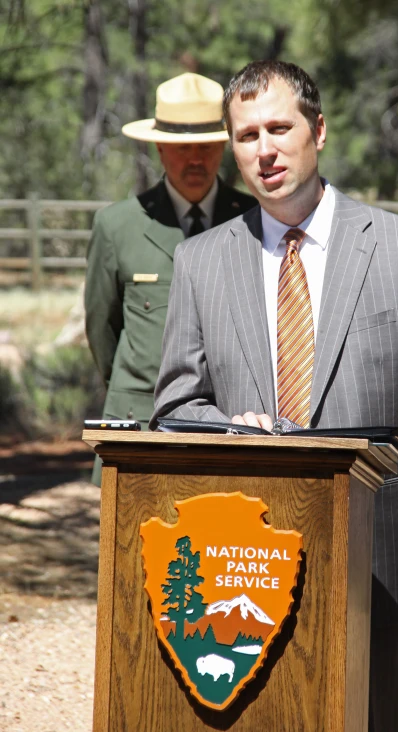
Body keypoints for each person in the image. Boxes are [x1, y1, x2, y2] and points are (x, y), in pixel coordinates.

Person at [151, 61, 398, 732]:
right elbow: (175, 407)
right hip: (242, 565)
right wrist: (227, 427)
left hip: (378, 564)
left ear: (318, 130)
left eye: (279, 127)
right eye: (247, 134)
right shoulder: (200, 262)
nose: (264, 149)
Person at [85, 72, 256, 484]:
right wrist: (140, 384)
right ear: (159, 147)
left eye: (207, 145)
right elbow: (101, 329)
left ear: (225, 146)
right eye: (182, 148)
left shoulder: (254, 221)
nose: (194, 158)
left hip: (232, 426)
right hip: (140, 427)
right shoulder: (118, 225)